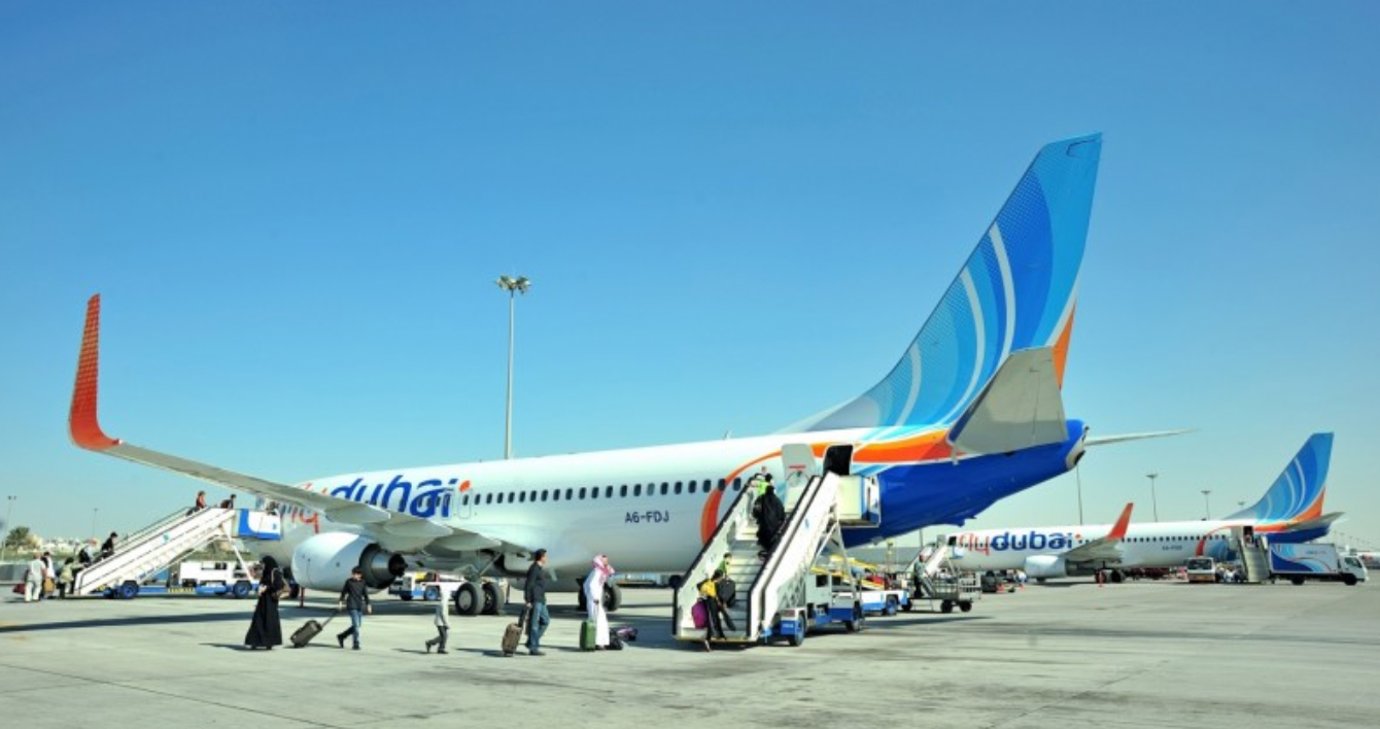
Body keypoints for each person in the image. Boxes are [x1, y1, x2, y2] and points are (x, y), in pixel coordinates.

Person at [244, 555, 285, 649]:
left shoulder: (275, 572)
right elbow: (263, 582)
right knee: (258, 620)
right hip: (263, 601)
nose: (263, 565)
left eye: (264, 563)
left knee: (269, 621)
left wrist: (267, 588)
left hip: (271, 601)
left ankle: (269, 643)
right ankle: (254, 642)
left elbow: (279, 585)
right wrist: (261, 588)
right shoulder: (266, 572)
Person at [583, 554, 615, 650]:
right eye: (604, 560)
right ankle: (598, 643)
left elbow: (608, 583)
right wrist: (594, 598)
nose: (606, 562)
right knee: (598, 620)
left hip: (595, 600)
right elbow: (591, 585)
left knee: (600, 620)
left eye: (607, 560)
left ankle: (600, 642)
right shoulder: (597, 571)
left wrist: (610, 575)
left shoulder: (601, 572)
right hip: (594, 600)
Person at [336, 567, 372, 650]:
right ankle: (356, 643)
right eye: (353, 574)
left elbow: (365, 594)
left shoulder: (363, 583)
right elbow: (343, 593)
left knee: (357, 626)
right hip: (351, 605)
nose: (353, 575)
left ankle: (342, 636)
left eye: (355, 574)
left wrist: (368, 605)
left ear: (360, 575)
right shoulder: (349, 582)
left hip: (359, 606)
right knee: (356, 626)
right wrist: (340, 603)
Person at [523, 548, 550, 656]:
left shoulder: (540, 568)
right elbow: (528, 584)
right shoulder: (534, 569)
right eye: (546, 556)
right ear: (542, 557)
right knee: (534, 624)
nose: (547, 558)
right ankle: (533, 647)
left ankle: (531, 642)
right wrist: (528, 600)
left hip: (541, 599)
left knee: (546, 621)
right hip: (535, 600)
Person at [752, 482, 786, 557]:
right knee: (772, 540)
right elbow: (782, 513)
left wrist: (757, 517)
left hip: (763, 524)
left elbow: (756, 509)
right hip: (774, 526)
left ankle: (766, 551)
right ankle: (770, 553)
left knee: (763, 538)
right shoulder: (777, 501)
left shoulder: (761, 498)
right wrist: (781, 521)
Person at [696, 572, 727, 651]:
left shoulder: (709, 582)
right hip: (711, 604)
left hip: (709, 602)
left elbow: (699, 586)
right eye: (721, 577)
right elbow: (717, 595)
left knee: (712, 622)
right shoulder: (714, 584)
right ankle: (708, 640)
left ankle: (710, 640)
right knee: (712, 622)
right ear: (718, 577)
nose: (721, 579)